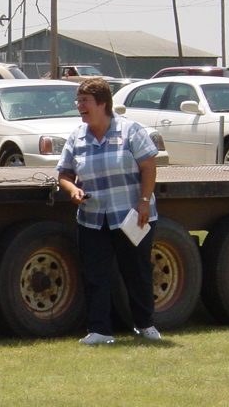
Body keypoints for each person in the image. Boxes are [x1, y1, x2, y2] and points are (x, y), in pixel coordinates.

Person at [56, 78, 161, 345]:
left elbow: (149, 167)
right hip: (92, 218)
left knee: (136, 271)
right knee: (95, 275)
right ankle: (100, 330)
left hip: (131, 215)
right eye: (78, 100)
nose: (79, 105)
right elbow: (64, 174)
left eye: (84, 100)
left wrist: (144, 201)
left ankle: (145, 325)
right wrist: (72, 190)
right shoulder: (77, 136)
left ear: (102, 103)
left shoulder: (130, 131)